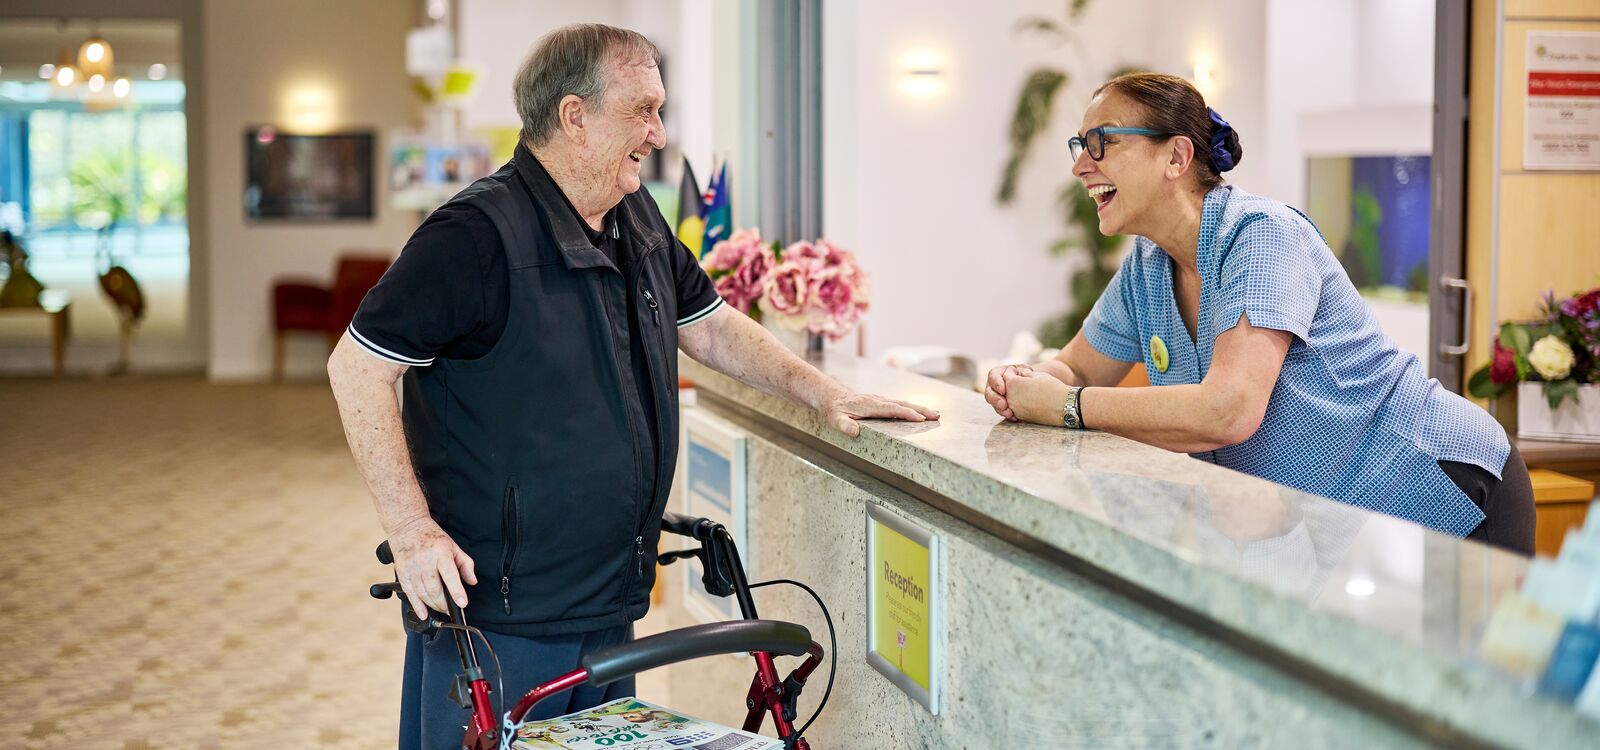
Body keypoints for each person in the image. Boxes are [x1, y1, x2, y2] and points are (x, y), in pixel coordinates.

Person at [325, 24, 938, 748]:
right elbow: (358, 367)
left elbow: (708, 328)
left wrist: (820, 390)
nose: (658, 129)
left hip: (608, 601)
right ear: (574, 117)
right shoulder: (473, 236)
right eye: (643, 109)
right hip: (499, 619)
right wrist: (411, 530)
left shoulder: (634, 217)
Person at [984, 72, 1533, 554]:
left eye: (1100, 143)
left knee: (1468, 672)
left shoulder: (1262, 236)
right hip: (1337, 518)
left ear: (1176, 156)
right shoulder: (1148, 266)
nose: (1081, 165)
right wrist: (1025, 381)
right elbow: (1075, 368)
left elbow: (1229, 411)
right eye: (1079, 145)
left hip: (1439, 477)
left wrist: (1067, 407)